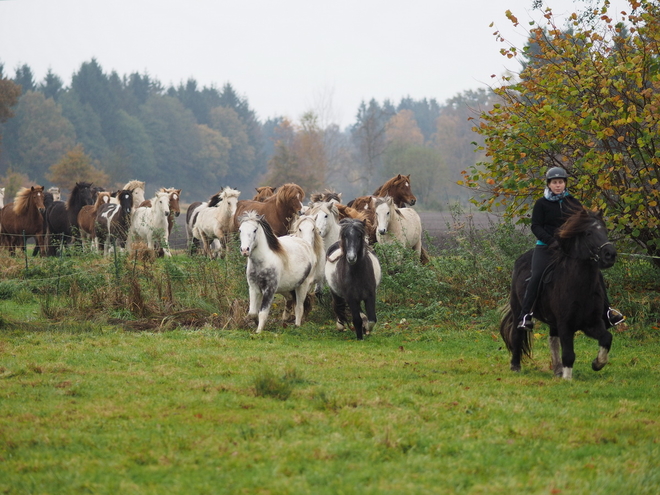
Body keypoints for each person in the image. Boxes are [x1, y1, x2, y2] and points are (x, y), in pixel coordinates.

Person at [517, 167, 625, 331]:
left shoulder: (573, 203)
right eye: (554, 182)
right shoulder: (541, 204)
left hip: (569, 249)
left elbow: (581, 227)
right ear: (549, 184)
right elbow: (536, 227)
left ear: (565, 183)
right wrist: (551, 240)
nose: (558, 185)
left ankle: (608, 312)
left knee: (595, 273)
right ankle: (525, 315)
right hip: (545, 247)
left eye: (560, 182)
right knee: (536, 276)